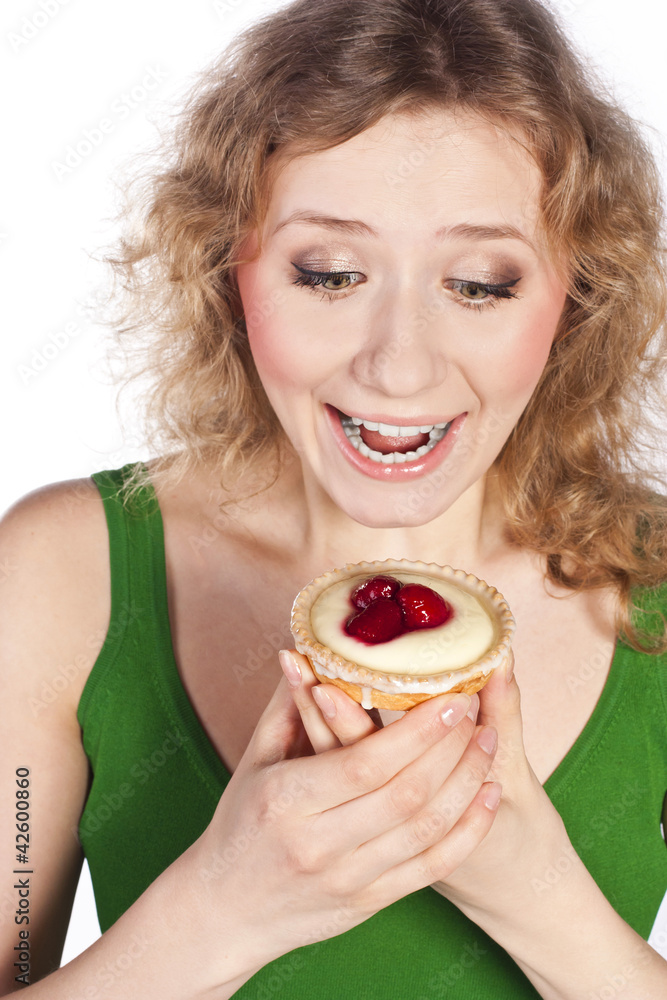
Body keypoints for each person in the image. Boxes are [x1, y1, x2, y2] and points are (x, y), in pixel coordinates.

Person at [2, 0, 667, 995]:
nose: (398, 367)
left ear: (578, 295)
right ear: (231, 270)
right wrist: (222, 908)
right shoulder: (65, 572)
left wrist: (539, 898)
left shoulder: (651, 584)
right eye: (329, 273)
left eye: (481, 284)